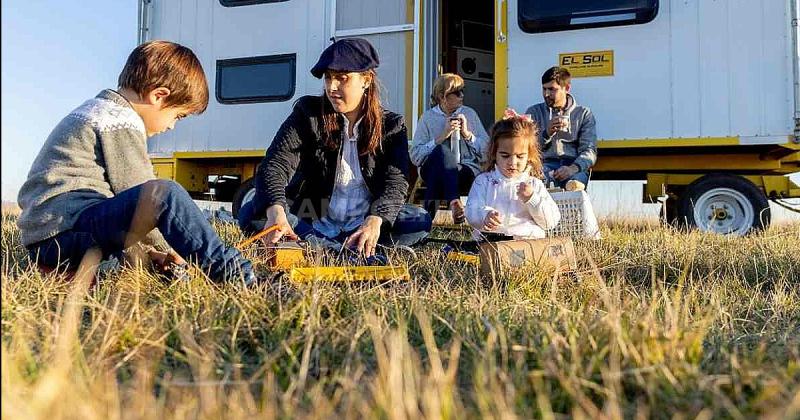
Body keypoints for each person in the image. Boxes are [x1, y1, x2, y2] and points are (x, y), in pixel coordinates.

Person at [17, 40, 255, 284]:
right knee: (164, 194)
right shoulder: (119, 119)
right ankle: (235, 273)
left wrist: (151, 252)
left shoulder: (97, 110)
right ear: (158, 96)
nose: (172, 126)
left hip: (52, 239)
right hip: (64, 234)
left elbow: (123, 210)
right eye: (178, 116)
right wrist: (171, 249)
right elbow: (143, 198)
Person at [237, 38, 431, 258]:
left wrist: (375, 220)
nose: (332, 87)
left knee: (420, 220)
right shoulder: (307, 113)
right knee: (252, 214)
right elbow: (275, 164)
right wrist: (277, 211)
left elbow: (395, 182)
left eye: (342, 78)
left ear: (366, 80)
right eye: (328, 78)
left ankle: (331, 244)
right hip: (313, 216)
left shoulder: (391, 126)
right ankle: (331, 246)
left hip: (365, 220)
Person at [465, 109, 561, 240]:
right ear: (494, 153)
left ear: (529, 156)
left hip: (527, 242)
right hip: (490, 240)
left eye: (520, 156)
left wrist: (532, 199)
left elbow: (551, 222)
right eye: (505, 156)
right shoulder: (484, 181)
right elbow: (472, 209)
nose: (512, 162)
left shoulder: (534, 184)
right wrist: (485, 215)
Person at [410, 73, 489, 223]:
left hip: (463, 171)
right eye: (457, 92)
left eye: (463, 91)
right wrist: (441, 137)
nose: (462, 96)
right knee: (441, 152)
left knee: (437, 177)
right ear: (442, 96)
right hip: (431, 167)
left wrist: (467, 134)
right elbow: (415, 156)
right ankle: (454, 200)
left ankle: (422, 225)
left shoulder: (469, 114)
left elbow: (487, 152)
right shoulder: (427, 118)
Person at [524, 66, 597, 190]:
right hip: (545, 164)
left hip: (573, 165)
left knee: (575, 186)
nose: (546, 94)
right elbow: (526, 149)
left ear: (567, 88)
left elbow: (589, 150)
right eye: (544, 89)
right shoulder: (534, 112)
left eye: (552, 89)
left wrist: (572, 168)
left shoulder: (584, 114)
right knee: (536, 184)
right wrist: (546, 134)